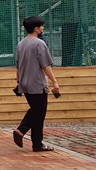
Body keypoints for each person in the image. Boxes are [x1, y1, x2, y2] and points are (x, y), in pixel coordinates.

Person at [12, 15, 60, 152]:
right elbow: (45, 66)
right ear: (36, 29)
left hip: (25, 83)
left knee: (35, 110)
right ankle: (31, 139)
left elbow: (18, 65)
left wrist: (19, 81)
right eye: (42, 26)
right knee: (39, 113)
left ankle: (29, 138)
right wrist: (55, 82)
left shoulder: (21, 44)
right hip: (37, 83)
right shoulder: (39, 44)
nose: (43, 28)